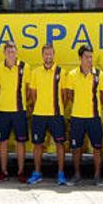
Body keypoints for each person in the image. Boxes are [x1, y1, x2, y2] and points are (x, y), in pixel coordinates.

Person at [64, 44, 103, 185]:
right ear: (80, 58)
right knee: (76, 148)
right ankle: (77, 175)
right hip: (77, 116)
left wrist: (93, 105)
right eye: (86, 57)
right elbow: (70, 94)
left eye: (91, 57)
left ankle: (97, 176)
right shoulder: (72, 75)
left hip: (94, 117)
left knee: (97, 147)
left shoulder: (99, 75)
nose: (89, 60)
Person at [28, 43, 68, 185]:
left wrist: (57, 107)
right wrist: (40, 105)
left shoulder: (61, 72)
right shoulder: (35, 72)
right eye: (45, 54)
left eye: (50, 53)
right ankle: (37, 172)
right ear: (42, 55)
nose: (48, 56)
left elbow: (65, 95)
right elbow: (33, 94)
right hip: (39, 114)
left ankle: (61, 174)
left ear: (54, 54)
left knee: (59, 144)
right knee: (38, 144)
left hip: (56, 114)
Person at [0, 41, 31, 183]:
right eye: (8, 51)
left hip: (19, 111)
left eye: (13, 51)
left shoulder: (25, 67)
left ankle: (21, 172)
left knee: (20, 143)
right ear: (4, 53)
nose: (10, 54)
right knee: (3, 142)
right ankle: (3, 171)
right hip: (2, 111)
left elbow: (27, 89)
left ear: (16, 52)